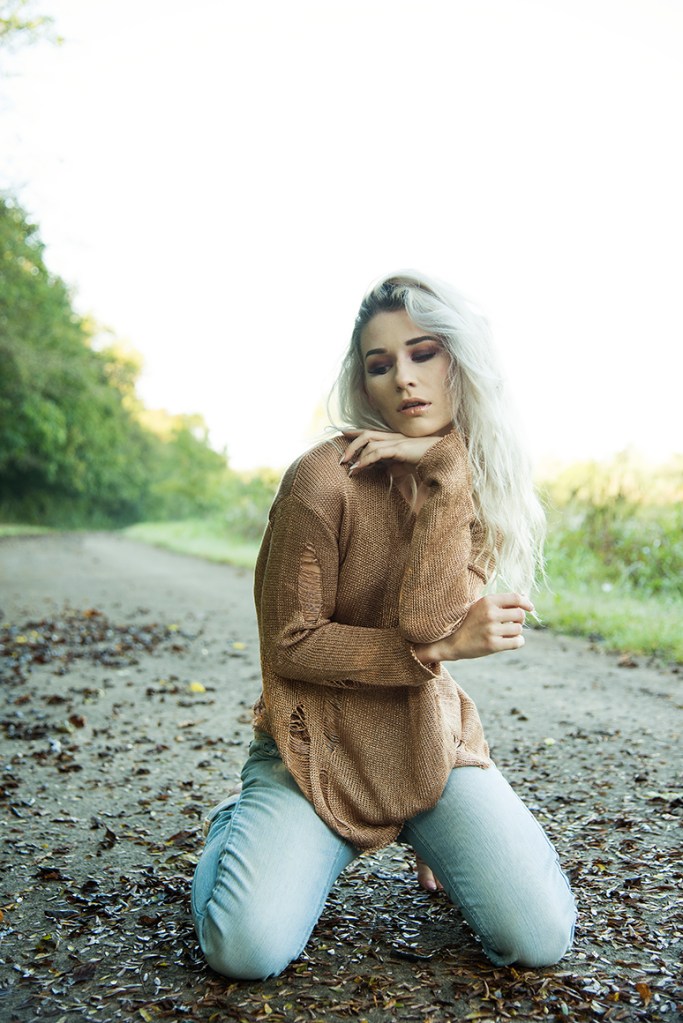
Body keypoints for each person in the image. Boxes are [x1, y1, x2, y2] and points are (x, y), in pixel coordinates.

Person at [191, 271, 577, 980]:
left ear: (461, 362)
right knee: (244, 951)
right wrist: (442, 648)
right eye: (380, 364)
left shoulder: (470, 481)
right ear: (364, 383)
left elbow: (426, 616)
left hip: (425, 746)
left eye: (423, 353)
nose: (403, 378)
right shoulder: (322, 478)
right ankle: (237, 825)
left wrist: (446, 469)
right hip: (313, 751)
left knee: (538, 937)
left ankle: (425, 828)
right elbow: (293, 643)